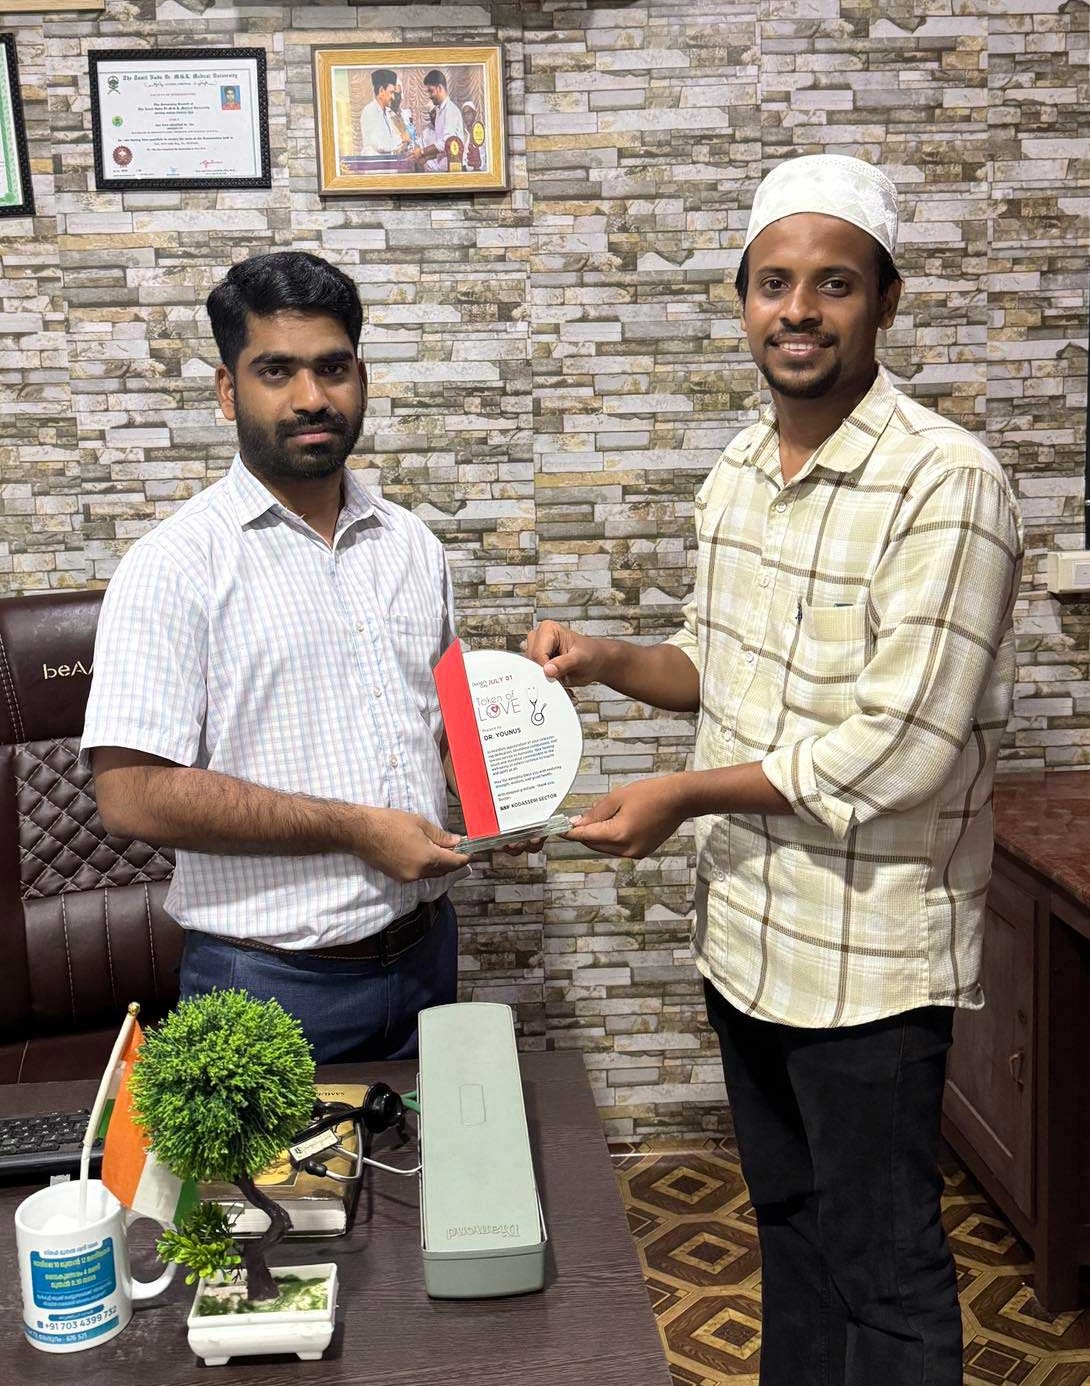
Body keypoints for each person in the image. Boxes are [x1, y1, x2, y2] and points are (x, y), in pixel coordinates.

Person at [525, 153, 1023, 1386]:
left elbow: (898, 747)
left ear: (885, 300)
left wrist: (682, 795)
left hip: (864, 965)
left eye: (833, 283)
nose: (798, 311)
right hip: (743, 936)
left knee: (884, 1266)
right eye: (773, 283)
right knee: (790, 1229)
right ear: (742, 301)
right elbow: (717, 667)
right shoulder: (741, 470)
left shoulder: (946, 482)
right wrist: (606, 660)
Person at [83, 251, 471, 1063]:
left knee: (436, 1152)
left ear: (361, 376)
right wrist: (353, 828)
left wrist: (502, 800)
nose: (311, 397)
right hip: (265, 983)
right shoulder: (174, 565)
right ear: (229, 390)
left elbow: (446, 728)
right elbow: (130, 794)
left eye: (332, 367)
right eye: (276, 371)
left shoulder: (414, 545)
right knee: (272, 1162)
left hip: (427, 956)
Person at [411, 69, 466, 172]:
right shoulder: (439, 111)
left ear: (440, 88)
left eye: (431, 91)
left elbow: (446, 143)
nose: (429, 96)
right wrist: (427, 157)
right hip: (443, 169)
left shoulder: (450, 110)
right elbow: (443, 149)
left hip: (454, 169)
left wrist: (422, 152)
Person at [358, 68, 405, 156]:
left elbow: (393, 138)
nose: (393, 97)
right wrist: (401, 139)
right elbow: (379, 144)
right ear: (381, 91)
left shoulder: (388, 113)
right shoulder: (369, 111)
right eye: (391, 92)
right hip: (375, 162)